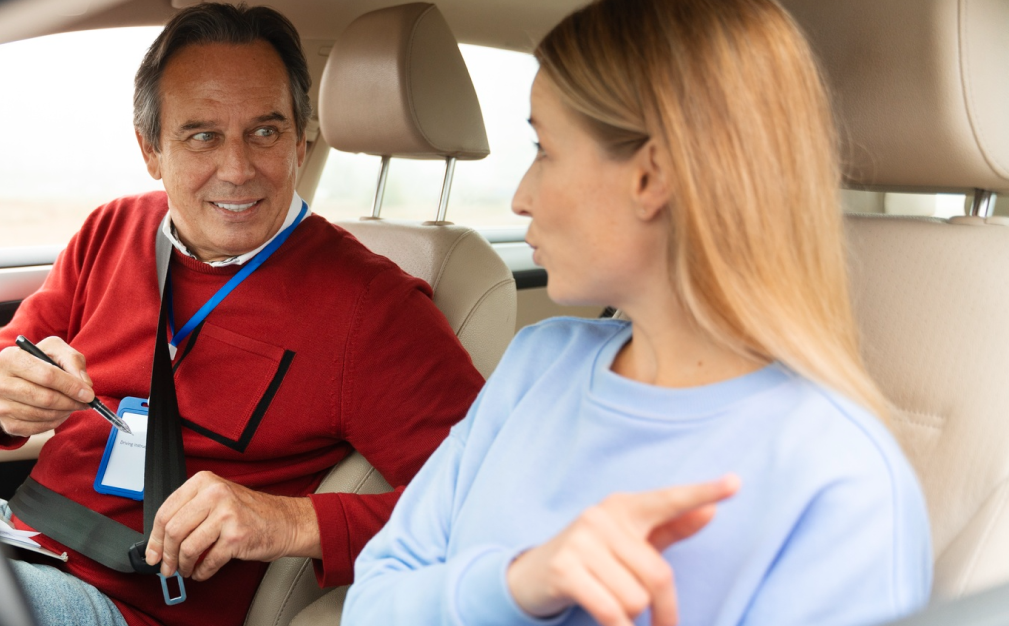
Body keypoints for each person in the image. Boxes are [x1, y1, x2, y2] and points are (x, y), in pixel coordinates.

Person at [343, 0, 933, 625]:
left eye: (545, 150)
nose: (520, 197)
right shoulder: (537, 363)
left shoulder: (841, 479)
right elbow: (371, 605)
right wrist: (520, 584)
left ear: (650, 176)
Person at [0, 4, 485, 626]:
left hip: (128, 606)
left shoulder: (374, 308)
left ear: (302, 144)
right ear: (152, 150)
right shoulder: (111, 231)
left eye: (265, 132)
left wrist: (291, 522)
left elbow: (487, 504)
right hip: (16, 537)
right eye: (202, 135)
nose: (236, 169)